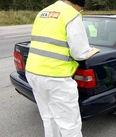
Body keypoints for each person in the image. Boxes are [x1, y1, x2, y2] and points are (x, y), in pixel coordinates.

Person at [25, 0, 100, 137]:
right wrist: (91, 51)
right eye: (80, 9)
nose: (79, 12)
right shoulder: (71, 14)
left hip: (33, 72)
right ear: (77, 5)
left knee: (48, 117)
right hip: (56, 76)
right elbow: (80, 53)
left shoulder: (43, 12)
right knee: (70, 124)